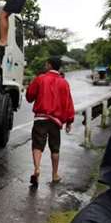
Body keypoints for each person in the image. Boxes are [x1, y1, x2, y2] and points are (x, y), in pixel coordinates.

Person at [64, 128, 111, 223]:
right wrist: (69, 121)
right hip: (53, 123)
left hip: (42, 121)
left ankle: (38, 168)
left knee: (40, 146)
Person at [26, 56, 75, 186]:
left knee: (37, 145)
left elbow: (29, 97)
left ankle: (36, 169)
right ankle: (55, 174)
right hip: (56, 121)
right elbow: (68, 103)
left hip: (40, 118)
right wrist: (69, 121)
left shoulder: (40, 79)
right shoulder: (64, 83)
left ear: (49, 65)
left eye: (46, 64)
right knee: (55, 148)